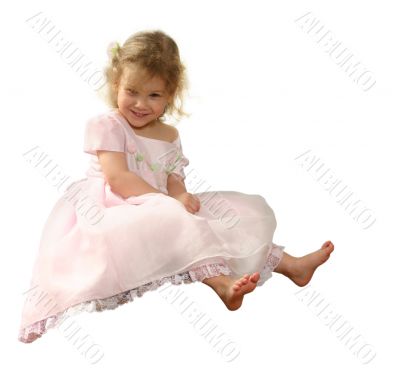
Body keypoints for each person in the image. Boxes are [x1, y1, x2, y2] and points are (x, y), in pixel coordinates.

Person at [18, 29, 334, 344]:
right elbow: (119, 179)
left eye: (154, 95)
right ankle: (222, 284)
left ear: (170, 95)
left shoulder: (168, 135)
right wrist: (167, 203)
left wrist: (180, 195)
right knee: (176, 220)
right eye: (132, 91)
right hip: (112, 207)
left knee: (222, 220)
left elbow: (174, 179)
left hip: (158, 203)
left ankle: (292, 266)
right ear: (117, 85)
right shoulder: (109, 126)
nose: (140, 104)